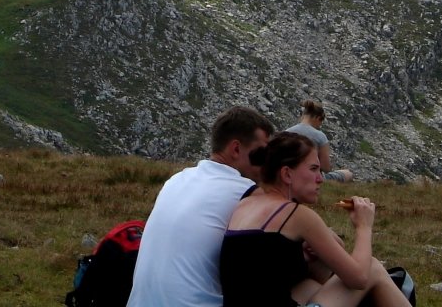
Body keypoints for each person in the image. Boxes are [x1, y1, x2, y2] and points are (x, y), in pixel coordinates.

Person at [220, 132, 411, 307]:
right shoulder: (295, 214)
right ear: (287, 174)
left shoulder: (244, 204)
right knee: (374, 269)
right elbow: (358, 278)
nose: (320, 179)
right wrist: (364, 226)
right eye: (313, 169)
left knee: (309, 285)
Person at [126, 106, 275, 307]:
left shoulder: (176, 179)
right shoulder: (245, 191)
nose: (266, 164)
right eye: (261, 154)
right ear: (236, 149)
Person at [286, 99, 353, 182]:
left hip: (289, 175)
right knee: (348, 173)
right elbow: (326, 167)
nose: (319, 125)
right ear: (317, 118)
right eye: (321, 121)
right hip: (312, 177)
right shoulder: (319, 136)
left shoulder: (286, 132)